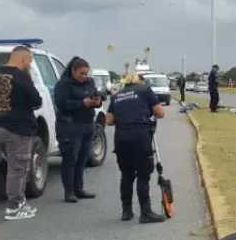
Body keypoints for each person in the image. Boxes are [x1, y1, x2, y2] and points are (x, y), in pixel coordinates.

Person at [0, 45, 42, 220]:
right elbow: (36, 100)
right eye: (30, 61)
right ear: (23, 59)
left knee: (13, 167)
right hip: (18, 128)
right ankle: (14, 207)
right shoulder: (21, 76)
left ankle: (20, 203)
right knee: (18, 169)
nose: (30, 65)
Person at [105, 71, 166, 223]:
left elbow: (109, 120)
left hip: (121, 139)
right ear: (139, 81)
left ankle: (126, 211)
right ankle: (145, 213)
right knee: (143, 175)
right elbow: (160, 112)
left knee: (126, 175)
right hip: (140, 137)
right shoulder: (145, 90)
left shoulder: (118, 95)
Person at [54, 56, 101, 203]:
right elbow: (61, 104)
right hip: (70, 125)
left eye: (86, 73)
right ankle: (69, 191)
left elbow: (96, 95)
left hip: (88, 124)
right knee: (70, 159)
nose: (84, 76)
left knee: (83, 157)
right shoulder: (64, 84)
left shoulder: (89, 82)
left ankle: (79, 188)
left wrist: (97, 101)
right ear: (73, 70)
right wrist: (81, 103)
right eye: (81, 73)